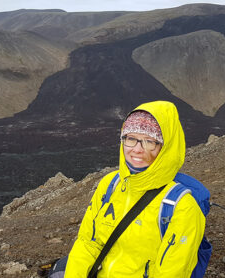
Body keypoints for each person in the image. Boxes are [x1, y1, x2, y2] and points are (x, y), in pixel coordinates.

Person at [61, 101, 205, 277]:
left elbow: (170, 273)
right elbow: (88, 243)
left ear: (165, 147)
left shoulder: (182, 207)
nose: (137, 150)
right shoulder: (109, 185)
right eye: (131, 139)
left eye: (150, 141)